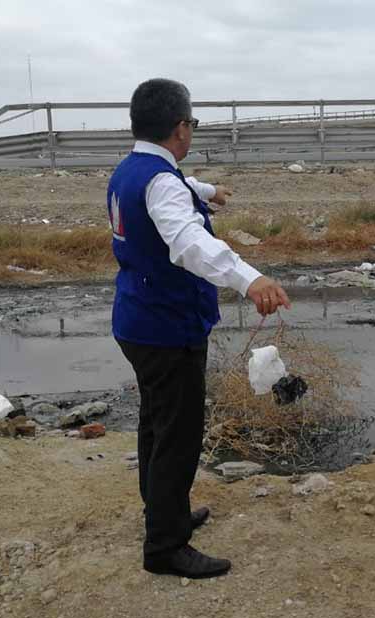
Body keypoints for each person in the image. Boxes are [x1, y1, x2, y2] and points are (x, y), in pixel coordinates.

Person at [109, 78, 290, 579]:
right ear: (180, 127)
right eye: (193, 122)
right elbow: (188, 242)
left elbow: (180, 189)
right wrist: (250, 279)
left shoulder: (135, 169)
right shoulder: (161, 181)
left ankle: (162, 512)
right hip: (166, 328)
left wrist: (212, 191)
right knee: (179, 435)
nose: (192, 130)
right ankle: (165, 547)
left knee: (156, 423)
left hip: (137, 320)